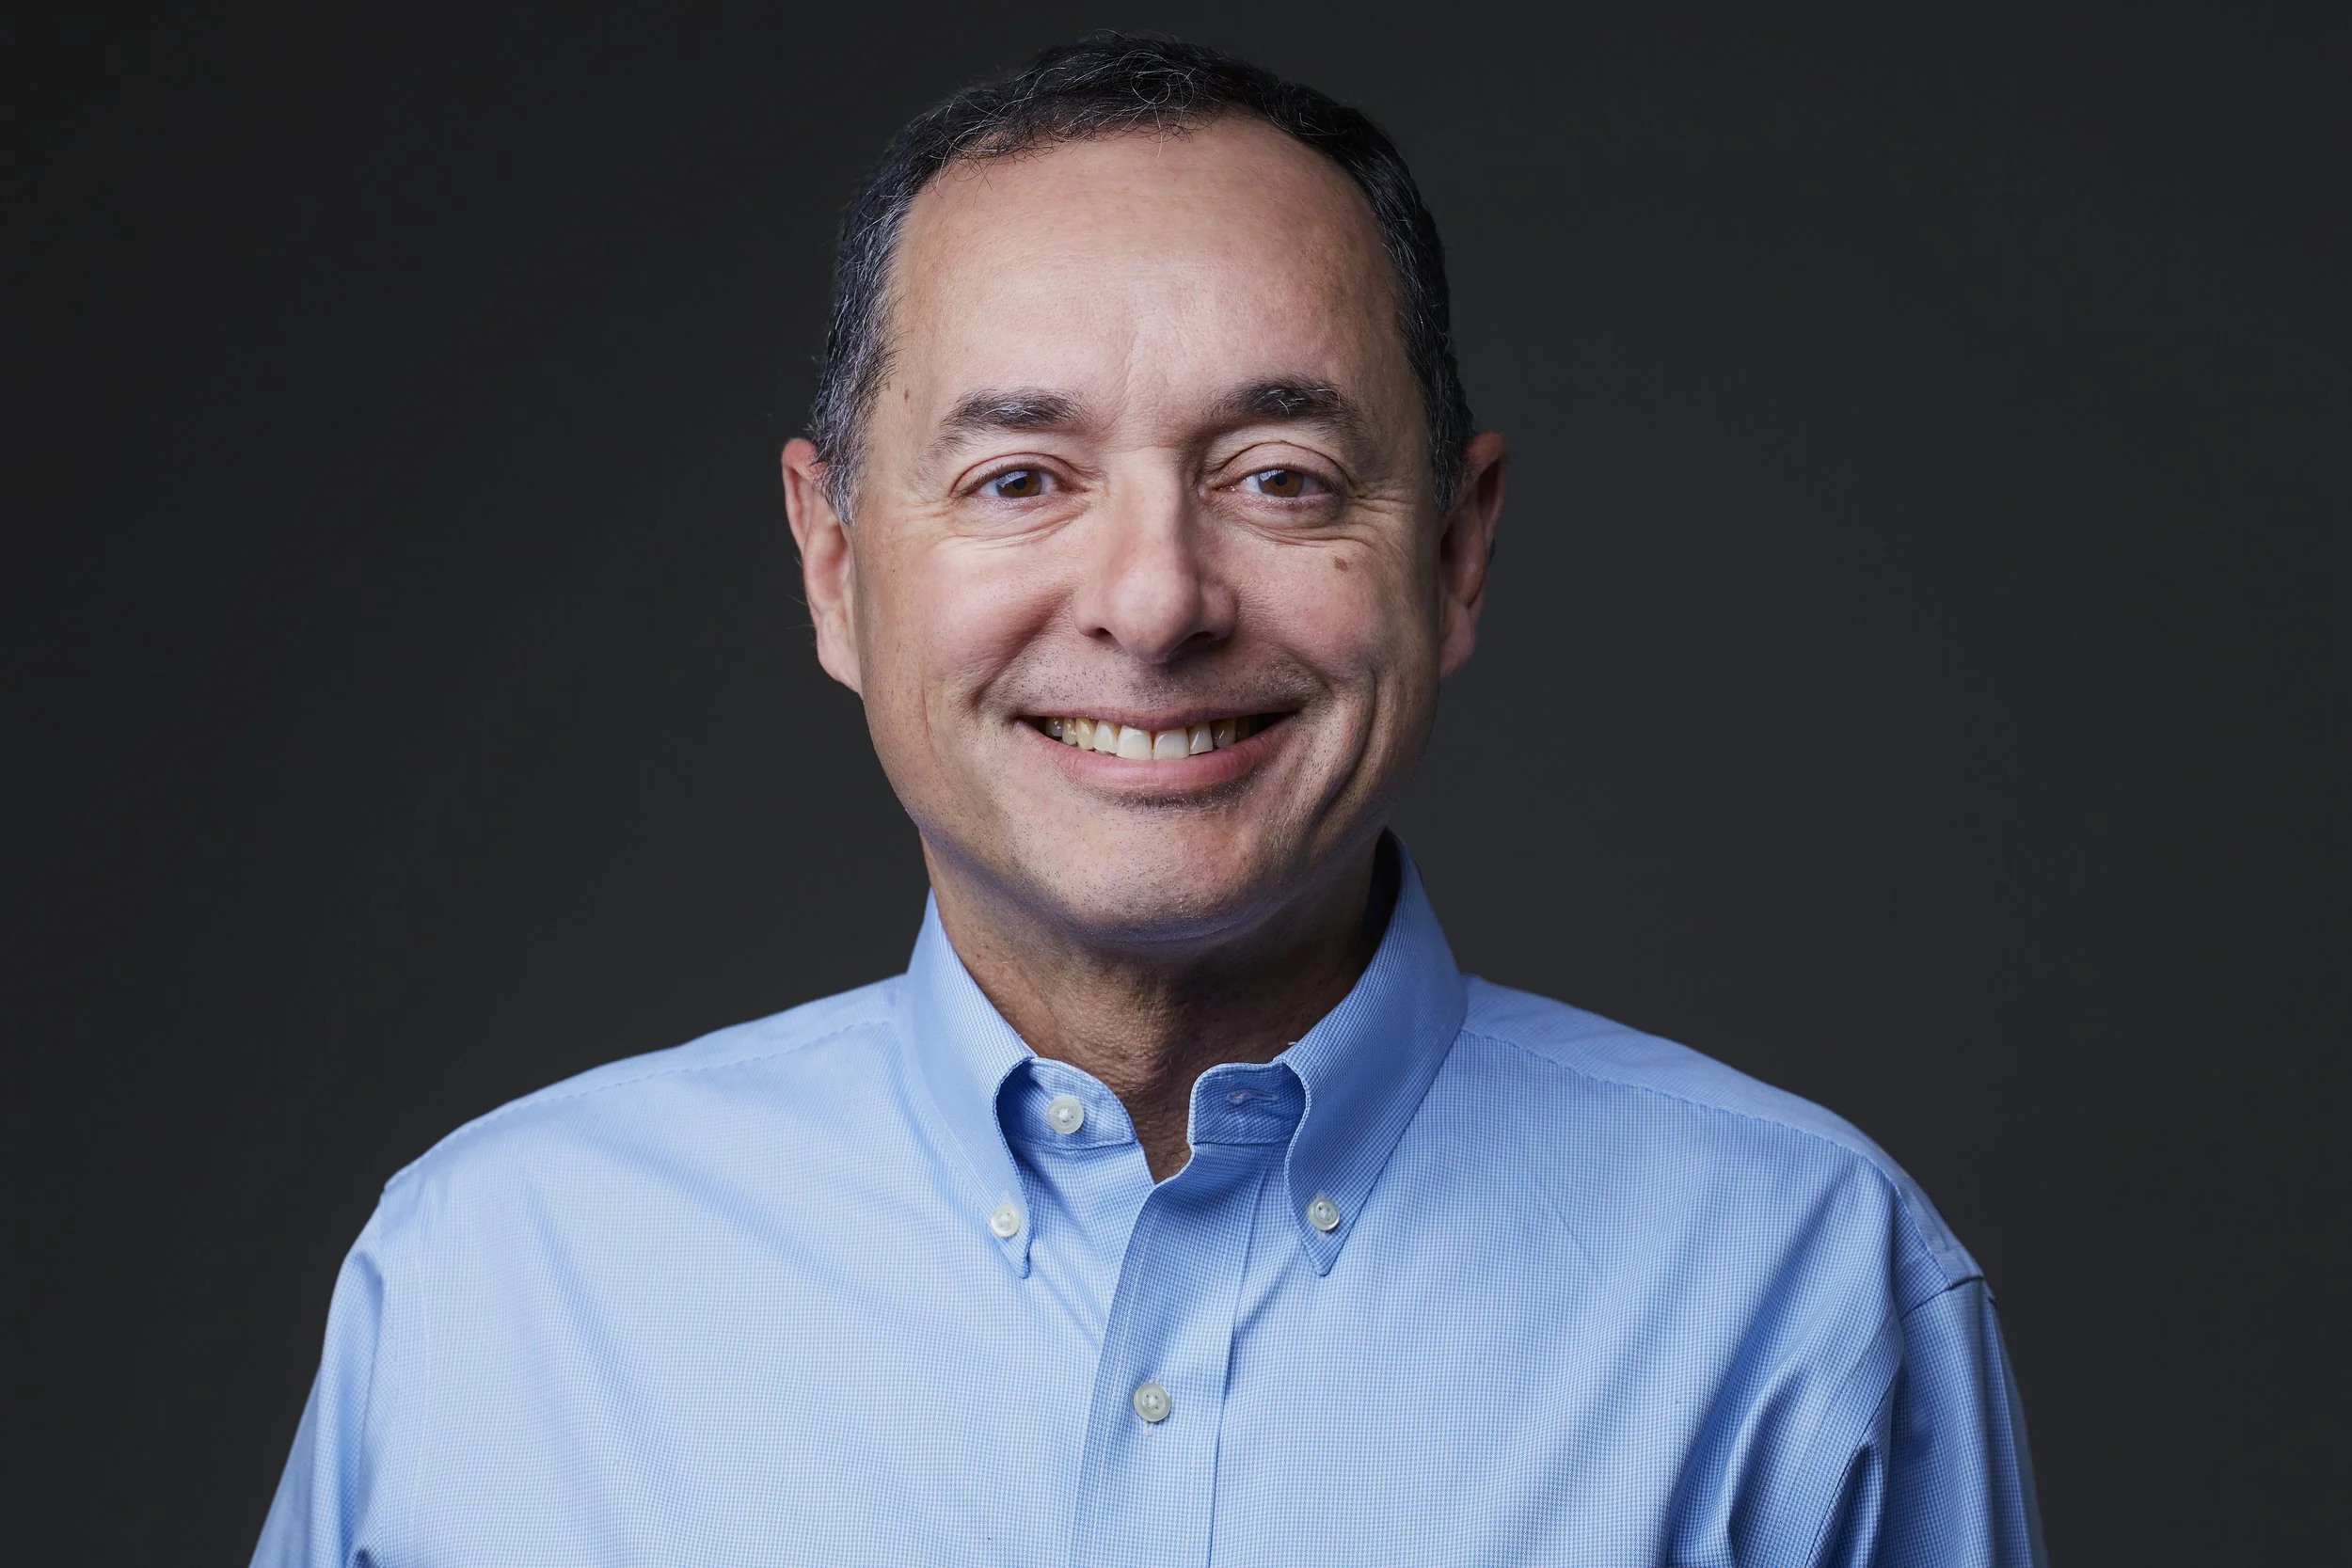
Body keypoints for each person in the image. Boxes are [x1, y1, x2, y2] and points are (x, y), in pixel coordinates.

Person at [254, 33, 2042, 1567]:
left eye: (1279, 476)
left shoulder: (1803, 1290)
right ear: (832, 562)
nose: (1155, 598)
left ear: (1457, 549)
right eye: (1021, 475)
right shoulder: (493, 1283)